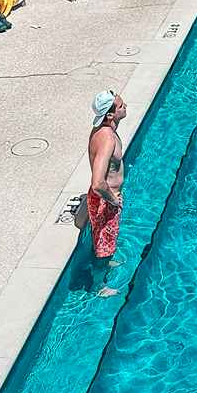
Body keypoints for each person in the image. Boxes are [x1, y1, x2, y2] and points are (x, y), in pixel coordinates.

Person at [87, 90, 126, 278]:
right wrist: (113, 200)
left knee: (106, 242)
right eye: (120, 106)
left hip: (107, 199)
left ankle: (105, 264)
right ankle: (98, 285)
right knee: (103, 249)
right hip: (106, 201)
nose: (125, 106)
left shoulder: (103, 131)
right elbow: (97, 183)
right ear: (110, 114)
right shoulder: (107, 139)